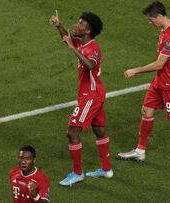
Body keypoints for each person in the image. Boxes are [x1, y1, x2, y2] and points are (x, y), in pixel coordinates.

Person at [117, 1, 170, 166]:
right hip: (159, 81)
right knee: (146, 110)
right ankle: (140, 151)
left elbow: (159, 64)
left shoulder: (169, 36)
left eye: (151, 19)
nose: (150, 23)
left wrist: (135, 70)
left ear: (160, 16)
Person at [49, 10, 113, 187]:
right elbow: (67, 38)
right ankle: (107, 169)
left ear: (88, 30)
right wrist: (58, 26)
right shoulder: (81, 42)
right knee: (99, 130)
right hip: (95, 94)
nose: (77, 25)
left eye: (81, 23)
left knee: (72, 132)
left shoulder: (93, 48)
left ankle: (77, 173)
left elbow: (90, 64)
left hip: (90, 97)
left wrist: (71, 47)